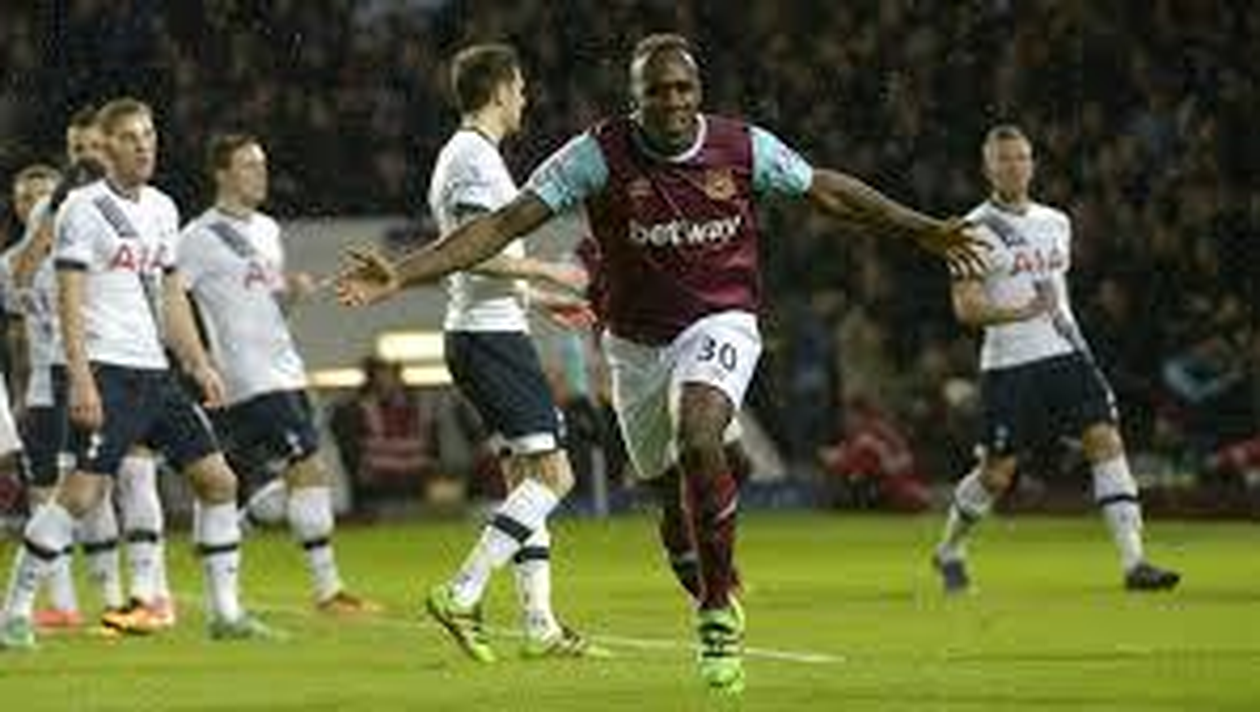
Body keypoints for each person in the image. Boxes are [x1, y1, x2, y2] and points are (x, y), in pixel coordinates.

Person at [339, 34, 983, 693]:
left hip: (720, 321)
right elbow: (503, 224)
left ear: (698, 91)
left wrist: (922, 229)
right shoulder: (595, 155)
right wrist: (403, 272)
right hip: (634, 347)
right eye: (657, 91)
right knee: (668, 499)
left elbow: (826, 191)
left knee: (700, 434)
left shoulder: (742, 147)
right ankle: (696, 568)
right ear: (635, 97)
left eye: (683, 89)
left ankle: (716, 615)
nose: (673, 101)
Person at [0, 97, 276, 650]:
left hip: (155, 372)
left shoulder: (163, 208)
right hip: (106, 369)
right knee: (81, 494)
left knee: (218, 481)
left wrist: (197, 361)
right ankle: (15, 611)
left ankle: (225, 613)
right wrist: (80, 378)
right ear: (107, 148)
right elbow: (70, 296)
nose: (144, 146)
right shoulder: (83, 208)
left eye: (149, 135)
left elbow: (170, 292)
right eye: (130, 137)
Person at [930, 124, 1181, 594]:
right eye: (1003, 159)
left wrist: (1073, 340)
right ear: (987, 168)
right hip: (1009, 366)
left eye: (1021, 158)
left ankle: (1135, 563)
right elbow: (966, 308)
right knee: (997, 475)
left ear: (1032, 164)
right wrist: (1017, 312)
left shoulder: (1056, 222)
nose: (1014, 167)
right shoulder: (969, 231)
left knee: (1105, 441)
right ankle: (950, 549)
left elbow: (1057, 296)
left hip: (1066, 355)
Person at [419, 43, 604, 661]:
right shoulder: (474, 158)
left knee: (524, 479)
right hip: (489, 338)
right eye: (520, 88)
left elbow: (471, 258)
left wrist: (536, 299)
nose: (525, 98)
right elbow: (474, 251)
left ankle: (539, 626)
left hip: (482, 330)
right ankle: (462, 591)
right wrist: (551, 272)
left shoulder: (466, 155)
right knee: (556, 475)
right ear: (500, 90)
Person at [178, 132, 376, 614]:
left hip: (284, 366)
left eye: (262, 165)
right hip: (247, 375)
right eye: (248, 166)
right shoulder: (197, 237)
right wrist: (195, 360)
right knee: (308, 466)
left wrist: (291, 295)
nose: (260, 174)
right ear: (222, 173)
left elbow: (267, 307)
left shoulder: (268, 230)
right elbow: (169, 297)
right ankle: (328, 590)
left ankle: (239, 524)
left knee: (272, 476)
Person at [8, 109, 175, 633]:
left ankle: (151, 594)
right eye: (76, 149)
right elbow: (19, 280)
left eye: (93, 148)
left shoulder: (138, 208)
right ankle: (91, 599)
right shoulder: (62, 209)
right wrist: (51, 214)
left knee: (136, 473)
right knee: (83, 490)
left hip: (127, 362)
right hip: (63, 370)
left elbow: (159, 283)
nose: (86, 158)